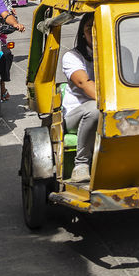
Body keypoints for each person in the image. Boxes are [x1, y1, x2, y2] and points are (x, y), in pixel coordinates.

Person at [61, 12, 97, 186]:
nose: (95, 31)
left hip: (110, 108)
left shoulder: (121, 52)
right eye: (90, 27)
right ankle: (81, 163)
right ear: (83, 32)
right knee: (97, 108)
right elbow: (84, 83)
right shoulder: (72, 57)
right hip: (77, 113)